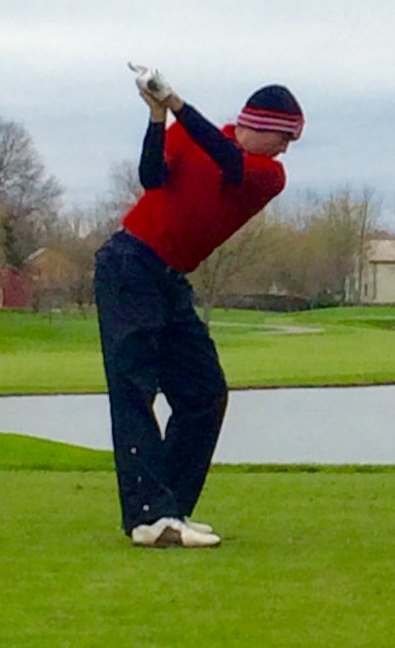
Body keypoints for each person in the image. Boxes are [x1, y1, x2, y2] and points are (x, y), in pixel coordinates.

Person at [94, 68, 304, 548]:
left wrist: (178, 106)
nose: (286, 149)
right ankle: (151, 517)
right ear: (257, 122)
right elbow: (151, 177)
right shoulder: (191, 137)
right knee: (133, 389)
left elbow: (227, 160)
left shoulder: (269, 175)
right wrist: (156, 118)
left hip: (168, 279)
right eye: (284, 136)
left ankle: (170, 509)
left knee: (204, 393)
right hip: (129, 264)